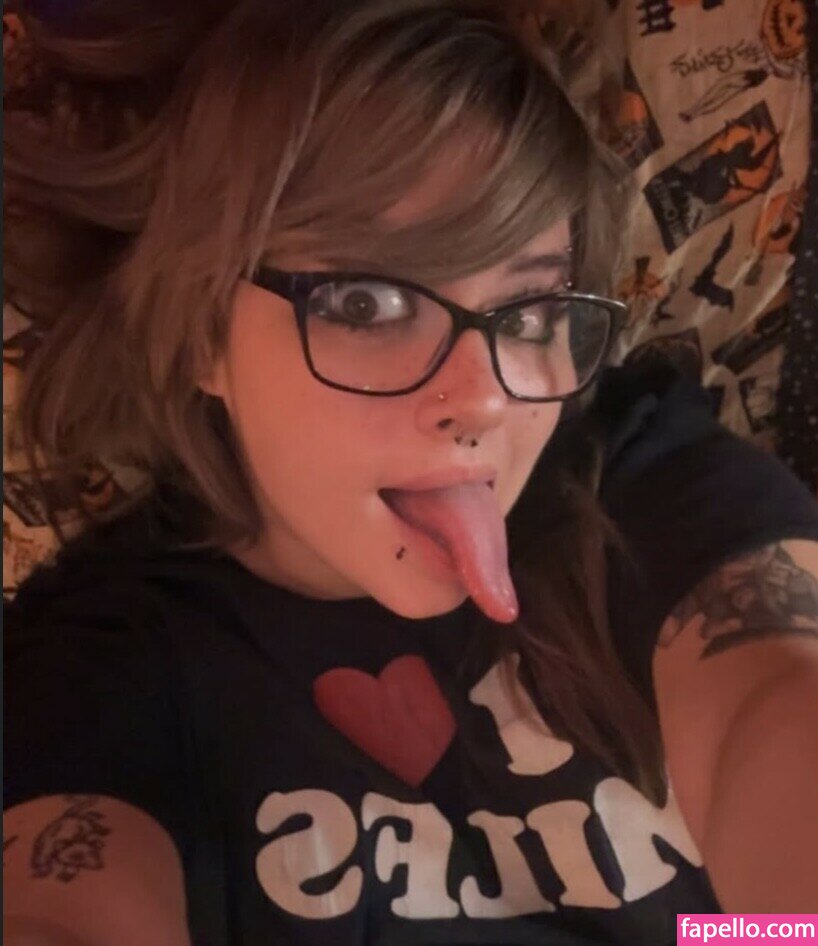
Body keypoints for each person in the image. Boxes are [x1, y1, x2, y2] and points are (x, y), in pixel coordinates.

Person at [4, 1, 818, 944]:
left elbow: (778, 704)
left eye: (530, 312)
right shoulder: (108, 665)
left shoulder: (648, 486)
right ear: (199, 335)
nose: (486, 398)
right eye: (366, 301)